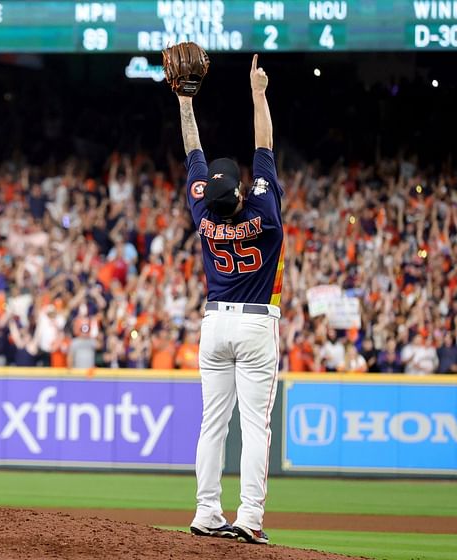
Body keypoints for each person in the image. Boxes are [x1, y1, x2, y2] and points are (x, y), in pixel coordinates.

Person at [180, 53, 283, 545]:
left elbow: (192, 155)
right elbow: (264, 143)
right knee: (255, 427)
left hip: (213, 324)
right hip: (256, 324)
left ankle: (205, 511)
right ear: (240, 191)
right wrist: (258, 92)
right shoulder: (263, 212)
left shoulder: (203, 214)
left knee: (212, 422)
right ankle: (249, 516)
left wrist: (184, 102)